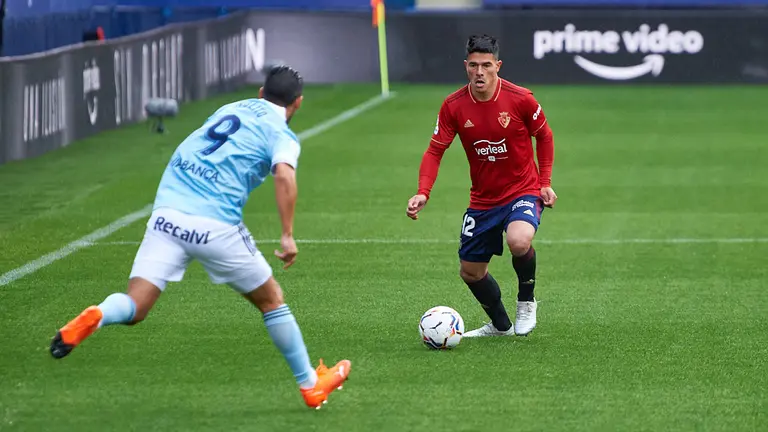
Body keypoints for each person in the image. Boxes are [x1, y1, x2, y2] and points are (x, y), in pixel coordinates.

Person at [49, 65, 351, 409]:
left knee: (136, 306)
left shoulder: (229, 109)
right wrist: (287, 235)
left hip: (167, 214)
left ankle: (98, 314)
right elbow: (284, 176)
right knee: (271, 300)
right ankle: (310, 386)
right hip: (214, 225)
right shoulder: (281, 134)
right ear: (298, 103)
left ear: (260, 93)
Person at [406, 34, 557, 338]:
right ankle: (500, 326)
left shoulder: (520, 98)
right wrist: (423, 191)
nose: (479, 72)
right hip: (484, 200)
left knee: (519, 240)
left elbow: (545, 136)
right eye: (473, 65)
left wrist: (544, 183)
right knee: (471, 272)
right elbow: (435, 150)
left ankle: (526, 302)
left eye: (486, 65)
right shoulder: (453, 106)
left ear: (497, 66)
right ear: (466, 66)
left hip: (522, 189)